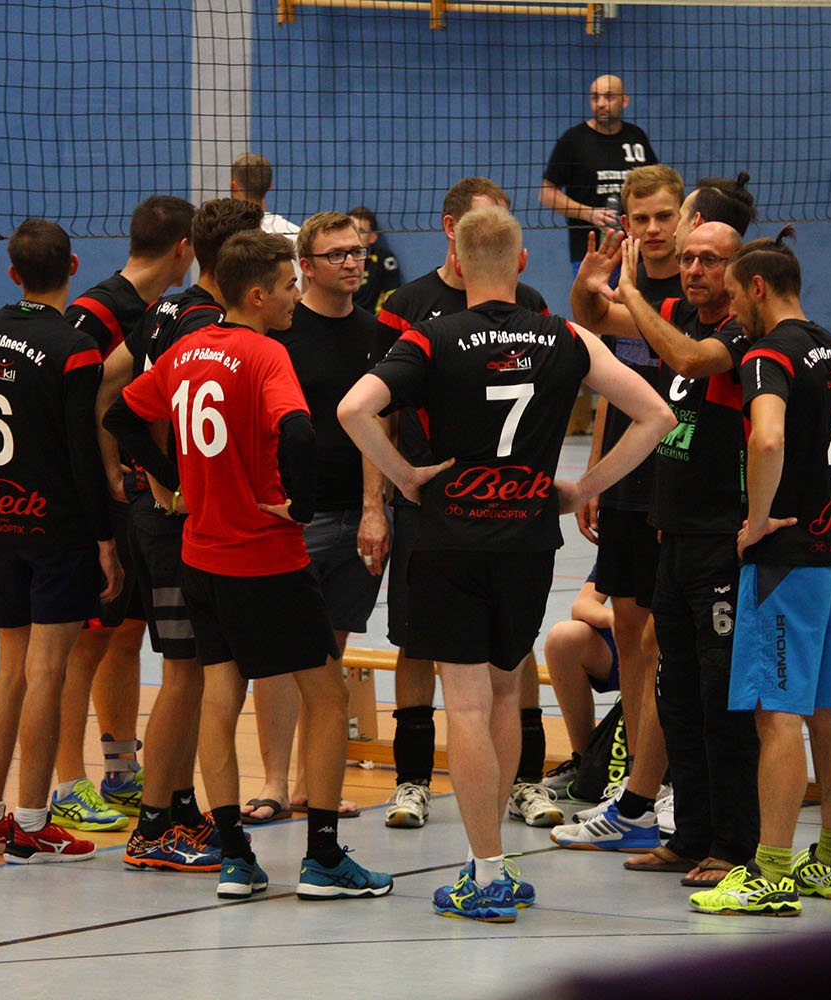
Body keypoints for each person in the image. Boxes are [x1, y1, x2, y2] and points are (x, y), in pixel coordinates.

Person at [339, 205, 675, 921]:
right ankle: (492, 865)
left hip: (448, 542)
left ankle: (486, 871)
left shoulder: (430, 338)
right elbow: (657, 415)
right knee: (500, 695)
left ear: (458, 263)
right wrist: (583, 487)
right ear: (522, 262)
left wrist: (404, 477)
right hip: (526, 542)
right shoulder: (566, 336)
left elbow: (353, 410)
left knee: (464, 702)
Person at [106, 230, 394, 902]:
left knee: (219, 694)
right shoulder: (267, 354)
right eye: (290, 286)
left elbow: (122, 414)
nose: (296, 296)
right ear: (258, 295)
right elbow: (298, 430)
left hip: (200, 555)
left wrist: (171, 476)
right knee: (325, 697)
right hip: (266, 556)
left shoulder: (184, 350)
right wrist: (300, 506)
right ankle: (323, 857)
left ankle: (236, 858)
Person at [552, 180, 760, 890]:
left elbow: (688, 358)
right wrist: (591, 284)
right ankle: (687, 834)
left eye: (709, 261)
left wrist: (633, 289)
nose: (695, 270)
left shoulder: (740, 333)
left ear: (739, 274)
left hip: (721, 539)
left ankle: (733, 844)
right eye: (690, 260)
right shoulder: (673, 313)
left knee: (718, 698)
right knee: (675, 687)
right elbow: (595, 319)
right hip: (673, 534)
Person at [687, 229, 831, 917]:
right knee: (829, 714)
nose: (729, 312)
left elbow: (768, 436)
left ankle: (771, 872)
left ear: (757, 287)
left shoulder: (766, 354)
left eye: (732, 295)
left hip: (785, 564)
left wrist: (757, 520)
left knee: (777, 718)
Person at [374, 177, 554, 831]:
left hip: (511, 510)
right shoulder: (407, 305)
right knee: (414, 641)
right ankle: (413, 781)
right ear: (452, 228)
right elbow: (379, 412)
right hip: (428, 507)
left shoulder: (528, 306)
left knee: (514, 651)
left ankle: (524, 781)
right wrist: (377, 501)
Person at [95, 198, 265, 873]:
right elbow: (145, 407)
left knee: (192, 669)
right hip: (171, 525)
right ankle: (153, 826)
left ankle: (179, 804)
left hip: (152, 514)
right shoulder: (203, 324)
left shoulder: (166, 306)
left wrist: (119, 472)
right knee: (185, 671)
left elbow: (110, 379)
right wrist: (169, 479)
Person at [0, 218, 122, 864]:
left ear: (12, 272)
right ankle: (30, 824)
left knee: (10, 670)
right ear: (73, 267)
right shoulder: (75, 348)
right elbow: (84, 450)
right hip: (56, 525)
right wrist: (104, 538)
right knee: (47, 671)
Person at [49, 194, 196, 832]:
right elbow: (76, 410)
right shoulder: (96, 312)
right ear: (184, 248)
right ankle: (66, 783)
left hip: (139, 503)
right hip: (96, 505)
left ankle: (120, 770)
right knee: (84, 643)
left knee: (126, 635)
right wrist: (97, 493)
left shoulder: (164, 311)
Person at [240, 211, 385, 825]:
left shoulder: (377, 333)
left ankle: (310, 783)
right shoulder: (281, 332)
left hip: (358, 517)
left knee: (330, 654)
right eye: (336, 255)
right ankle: (273, 783)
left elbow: (380, 427)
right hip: (292, 518)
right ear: (305, 266)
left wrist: (375, 509)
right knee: (280, 655)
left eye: (356, 252)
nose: (351, 262)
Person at [552, 163, 685, 827]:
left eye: (664, 216)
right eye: (641, 218)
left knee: (668, 636)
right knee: (629, 630)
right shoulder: (624, 275)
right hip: (629, 477)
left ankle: (678, 777)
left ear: (684, 215)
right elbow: (607, 369)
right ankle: (637, 782)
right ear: (625, 220)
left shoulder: (694, 283)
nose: (653, 228)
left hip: (682, 476)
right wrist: (596, 475)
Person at [541, 75, 658, 273]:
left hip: (635, 250)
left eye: (609, 97)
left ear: (624, 100)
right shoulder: (573, 140)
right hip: (591, 252)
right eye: (595, 98)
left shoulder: (636, 137)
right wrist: (589, 213)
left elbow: (656, 185)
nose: (601, 103)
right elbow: (547, 194)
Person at [543, 567, 621, 757]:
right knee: (564, 639)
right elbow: (583, 604)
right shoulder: (624, 549)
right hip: (630, 640)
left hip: (674, 648)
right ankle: (585, 760)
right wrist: (617, 620)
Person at [349, 207, 403, 313]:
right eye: (351, 230)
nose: (354, 235)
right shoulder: (335, 259)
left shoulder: (382, 258)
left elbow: (392, 296)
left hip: (371, 319)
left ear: (372, 237)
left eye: (360, 231)